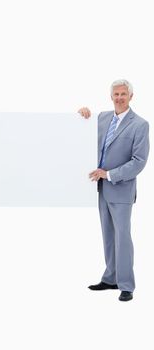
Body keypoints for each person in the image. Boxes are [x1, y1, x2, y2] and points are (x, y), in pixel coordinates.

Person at [78, 79, 149, 301]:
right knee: (108, 235)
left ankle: (126, 284)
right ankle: (110, 278)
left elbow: (139, 161)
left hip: (121, 189)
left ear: (130, 97)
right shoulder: (102, 118)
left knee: (123, 237)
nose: (119, 98)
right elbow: (86, 136)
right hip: (101, 189)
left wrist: (109, 174)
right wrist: (82, 116)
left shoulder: (140, 124)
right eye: (116, 94)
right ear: (111, 97)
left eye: (123, 94)